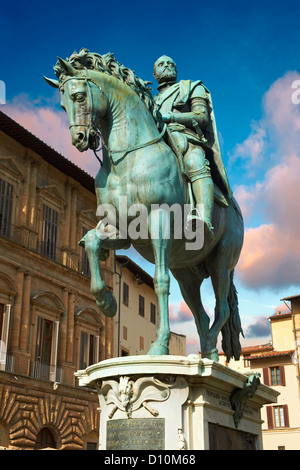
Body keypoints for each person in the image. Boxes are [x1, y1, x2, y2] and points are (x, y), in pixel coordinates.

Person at [153, 55, 232, 241]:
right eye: (161, 64)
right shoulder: (152, 100)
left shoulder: (191, 87)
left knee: (195, 161)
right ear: (154, 72)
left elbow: (201, 117)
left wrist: (170, 117)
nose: (167, 66)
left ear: (176, 70)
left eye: (171, 64)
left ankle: (203, 218)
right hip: (159, 141)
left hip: (186, 138)